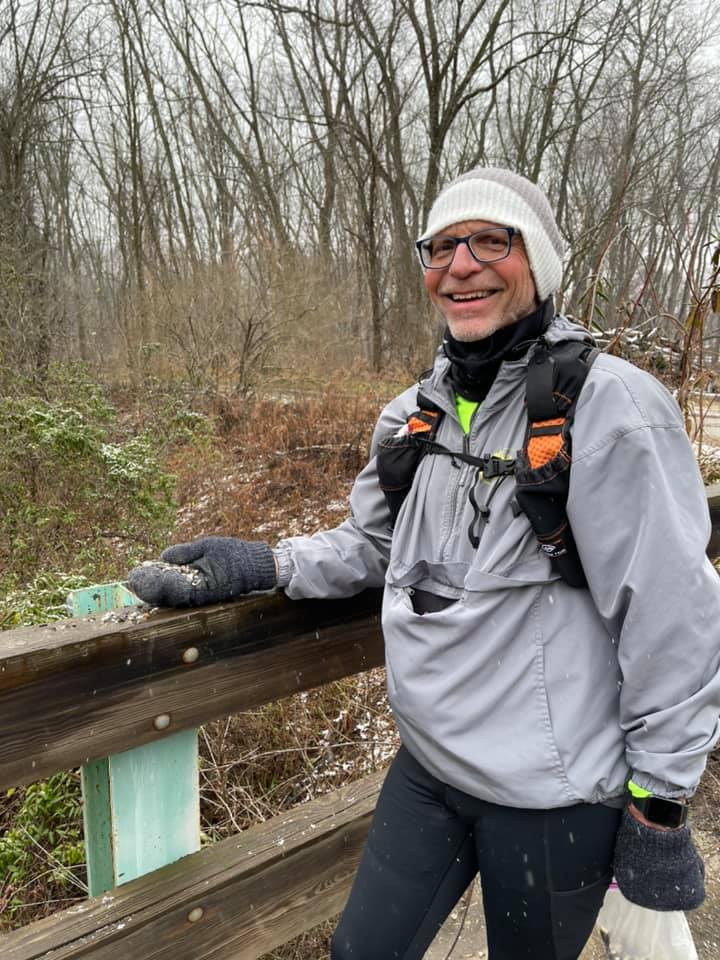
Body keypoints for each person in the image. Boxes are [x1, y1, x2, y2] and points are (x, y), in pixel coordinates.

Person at [128, 168, 720, 960]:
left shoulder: (612, 410)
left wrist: (660, 805)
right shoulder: (416, 413)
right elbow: (373, 543)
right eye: (442, 246)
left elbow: (673, 615)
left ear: (537, 262)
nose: (461, 264)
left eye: (490, 241)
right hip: (430, 769)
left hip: (554, 794)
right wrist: (265, 564)